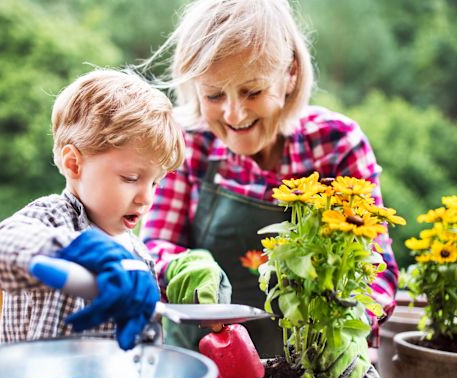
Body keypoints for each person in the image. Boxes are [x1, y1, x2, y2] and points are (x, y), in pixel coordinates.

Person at [140, 0, 399, 359]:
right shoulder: (188, 142)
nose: (234, 113)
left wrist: (349, 328)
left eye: (253, 91)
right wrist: (181, 266)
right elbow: (151, 250)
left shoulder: (336, 144)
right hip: (202, 369)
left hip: (311, 373)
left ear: (290, 73)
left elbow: (376, 266)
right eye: (214, 94)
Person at [0, 68, 195, 351]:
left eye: (155, 182)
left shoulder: (136, 253)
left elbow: (142, 343)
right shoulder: (55, 218)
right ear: (74, 164)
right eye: (131, 178)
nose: (146, 198)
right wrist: (82, 248)